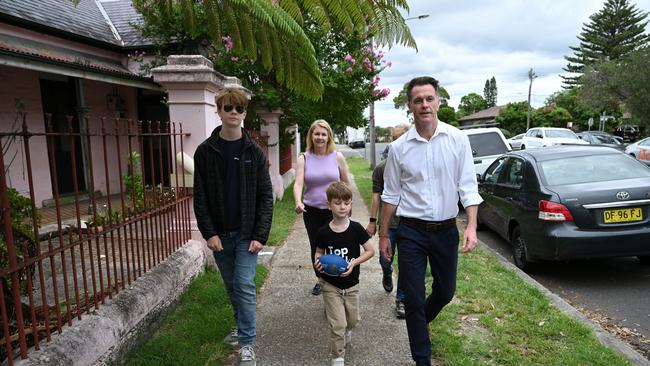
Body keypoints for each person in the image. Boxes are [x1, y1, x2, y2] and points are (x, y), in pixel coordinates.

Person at [378, 76, 483, 366]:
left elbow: (468, 187)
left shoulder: (458, 139)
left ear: (438, 101)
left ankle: (420, 321)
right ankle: (422, 359)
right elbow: (390, 195)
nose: (424, 105)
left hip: (446, 230)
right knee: (412, 297)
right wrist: (383, 236)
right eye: (417, 100)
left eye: (429, 98)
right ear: (409, 106)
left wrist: (472, 226)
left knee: (446, 291)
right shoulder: (399, 148)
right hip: (411, 231)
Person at [193, 87, 273, 366]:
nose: (234, 113)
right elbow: (200, 197)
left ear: (245, 113)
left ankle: (247, 343)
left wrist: (260, 235)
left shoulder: (255, 152)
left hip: (246, 233)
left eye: (239, 109)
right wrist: (209, 233)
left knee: (244, 283)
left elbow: (265, 197)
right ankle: (240, 328)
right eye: (228, 108)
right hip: (220, 234)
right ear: (219, 111)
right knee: (231, 286)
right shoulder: (205, 152)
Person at [314, 181, 375, 366]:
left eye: (346, 203)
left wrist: (353, 263)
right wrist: (318, 264)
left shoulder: (356, 229)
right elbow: (319, 252)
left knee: (352, 320)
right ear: (329, 205)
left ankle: (348, 330)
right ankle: (338, 355)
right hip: (330, 284)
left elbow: (370, 251)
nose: (343, 207)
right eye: (338, 203)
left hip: (351, 284)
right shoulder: (323, 232)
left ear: (351, 205)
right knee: (337, 324)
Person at [294, 119, 350, 296]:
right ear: (311, 136)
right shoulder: (304, 158)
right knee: (317, 246)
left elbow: (346, 183)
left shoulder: (337, 157)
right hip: (311, 211)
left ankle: (337, 278)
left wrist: (348, 205)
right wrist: (298, 201)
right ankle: (321, 280)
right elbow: (298, 184)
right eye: (316, 133)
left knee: (335, 245)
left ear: (329, 137)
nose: (320, 137)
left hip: (334, 211)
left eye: (323, 134)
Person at [366, 123, 410, 319]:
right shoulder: (381, 168)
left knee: (408, 264)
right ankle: (387, 272)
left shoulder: (414, 167)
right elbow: (376, 196)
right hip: (389, 223)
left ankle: (401, 299)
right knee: (385, 259)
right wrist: (372, 221)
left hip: (410, 223)